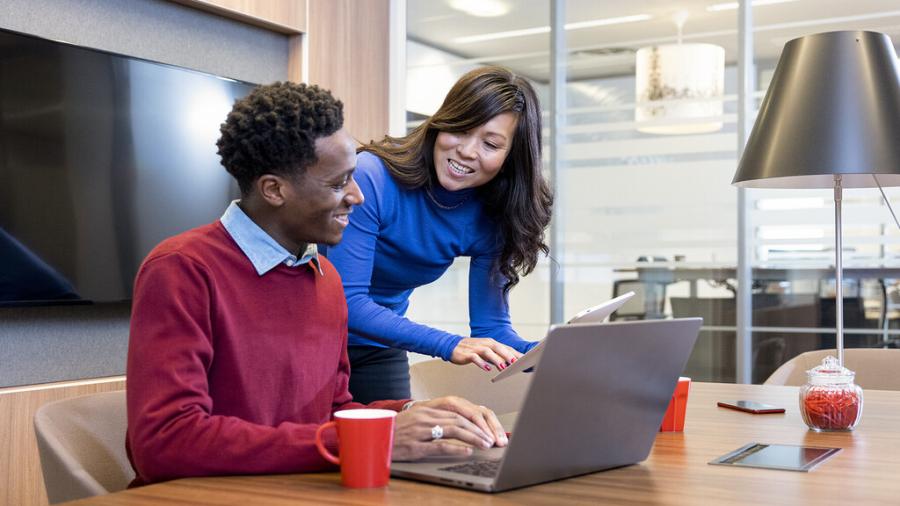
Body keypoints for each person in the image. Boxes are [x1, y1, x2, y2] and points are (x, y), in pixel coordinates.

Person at [125, 82, 508, 486]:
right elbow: (164, 444)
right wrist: (363, 440)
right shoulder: (182, 269)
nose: (357, 197)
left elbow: (332, 411)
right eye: (338, 183)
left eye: (354, 178)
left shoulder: (324, 280)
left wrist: (413, 414)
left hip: (293, 492)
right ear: (275, 189)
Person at [323, 66, 553, 403]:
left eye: (490, 144)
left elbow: (491, 330)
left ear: (510, 158)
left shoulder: (492, 212)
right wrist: (449, 345)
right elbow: (349, 303)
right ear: (441, 122)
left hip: (378, 349)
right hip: (312, 340)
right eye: (461, 129)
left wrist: (549, 355)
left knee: (395, 451)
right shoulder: (372, 178)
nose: (468, 151)